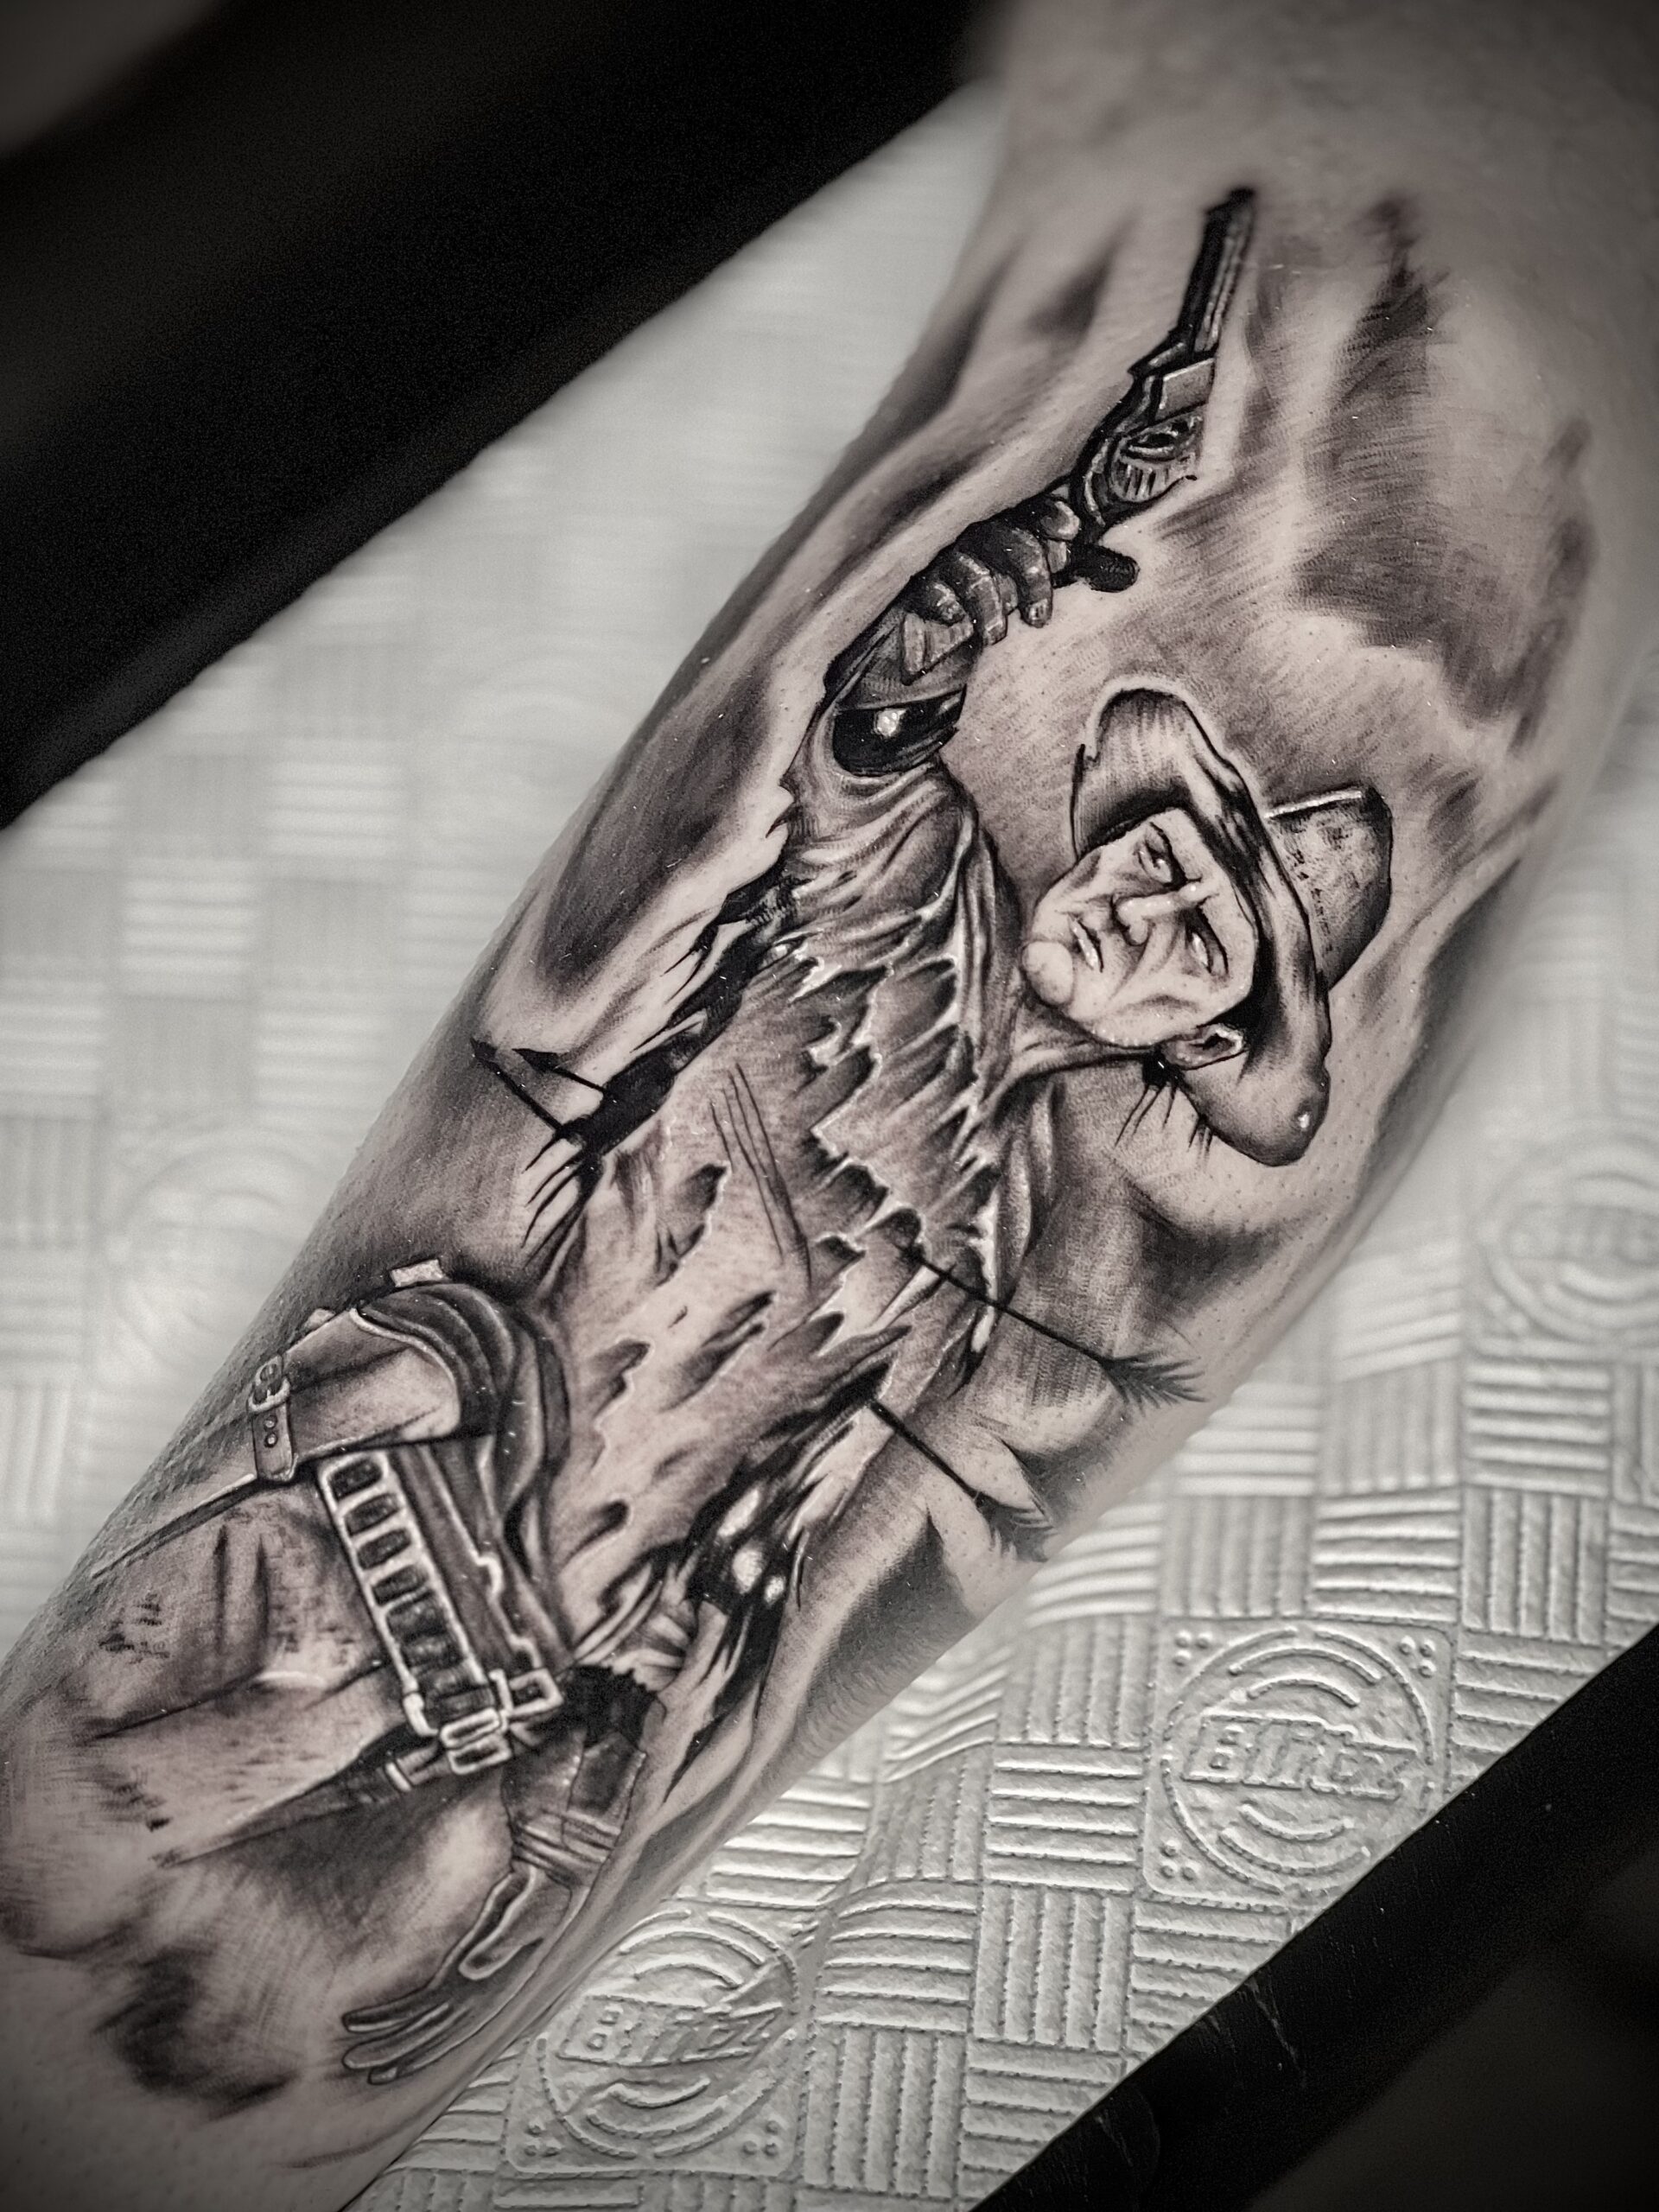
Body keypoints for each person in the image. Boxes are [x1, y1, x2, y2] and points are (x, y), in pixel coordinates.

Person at [1, 2, 1656, 2205]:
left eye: (1206, 935)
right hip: (397, 1463)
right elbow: (896, 696)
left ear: (1196, 1036)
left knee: (211, 2008)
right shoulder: (907, 898)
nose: (1153, 893)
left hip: (526, 1686)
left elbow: (766, 1522)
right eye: (1162, 846)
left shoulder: (996, 1249)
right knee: (74, 1916)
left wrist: (609, 1751)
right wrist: (1076, 513)